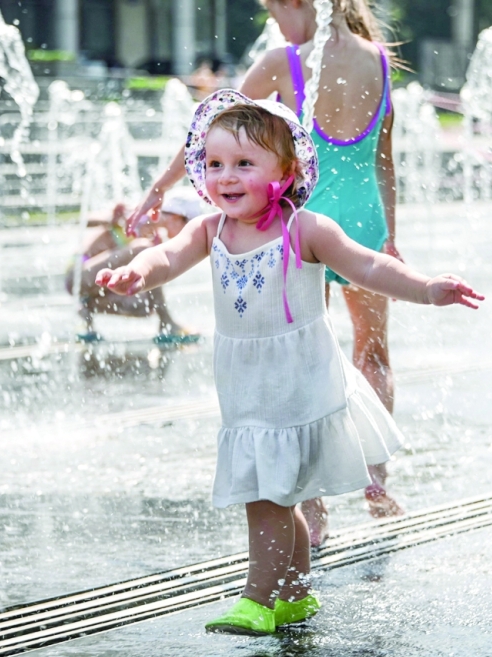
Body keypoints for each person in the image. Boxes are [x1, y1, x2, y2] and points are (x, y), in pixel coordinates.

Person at [96, 92, 482, 635]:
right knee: (285, 491)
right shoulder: (212, 229)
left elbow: (369, 266)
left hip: (298, 383)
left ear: (287, 169)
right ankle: (296, 595)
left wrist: (427, 288)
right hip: (248, 384)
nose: (225, 177)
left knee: (265, 495)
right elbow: (168, 254)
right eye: (214, 164)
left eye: (244, 164)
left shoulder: (305, 229)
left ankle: (256, 599)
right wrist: (139, 270)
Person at [125, 0, 407, 547]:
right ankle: (376, 481)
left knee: (304, 358)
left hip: (300, 223)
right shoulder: (377, 58)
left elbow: (209, 133)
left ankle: (314, 506)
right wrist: (390, 234)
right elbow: (384, 158)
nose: (271, 18)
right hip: (365, 216)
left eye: (272, 6)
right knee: (373, 352)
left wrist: (159, 189)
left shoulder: (286, 60)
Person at [66, 189, 204, 343]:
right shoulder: (136, 215)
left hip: (99, 283)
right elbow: (84, 220)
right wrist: (111, 218)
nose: (190, 235)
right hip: (79, 275)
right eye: (189, 227)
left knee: (144, 304)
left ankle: (87, 309)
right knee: (145, 249)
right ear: (177, 218)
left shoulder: (156, 238)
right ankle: (166, 321)